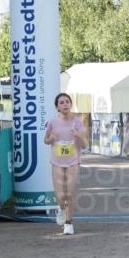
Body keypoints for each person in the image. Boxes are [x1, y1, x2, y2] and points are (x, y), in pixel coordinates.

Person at [43, 92, 88, 235]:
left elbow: (85, 145)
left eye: (67, 102)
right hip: (57, 162)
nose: (65, 104)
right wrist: (51, 138)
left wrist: (79, 135)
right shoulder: (52, 122)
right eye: (61, 102)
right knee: (60, 195)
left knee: (69, 193)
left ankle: (69, 223)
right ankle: (61, 209)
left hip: (73, 162)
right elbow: (46, 140)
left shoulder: (77, 122)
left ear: (71, 104)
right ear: (57, 106)